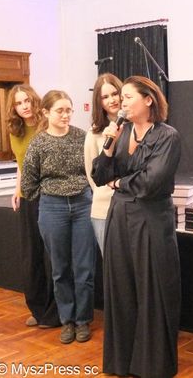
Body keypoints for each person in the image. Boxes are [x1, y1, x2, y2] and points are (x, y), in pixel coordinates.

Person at [91, 76, 181, 378]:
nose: (122, 102)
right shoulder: (121, 131)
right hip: (119, 217)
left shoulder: (167, 136)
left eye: (128, 97)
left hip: (151, 218)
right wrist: (108, 147)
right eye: (122, 97)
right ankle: (122, 362)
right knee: (121, 287)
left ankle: (151, 365)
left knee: (151, 287)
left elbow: (152, 182)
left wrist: (119, 182)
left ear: (148, 99)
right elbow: (99, 175)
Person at [21, 90, 97, 344]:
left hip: (83, 205)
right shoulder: (39, 143)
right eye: (60, 110)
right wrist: (49, 196)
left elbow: (93, 170)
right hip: (52, 208)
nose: (65, 115)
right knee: (60, 268)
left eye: (69, 110)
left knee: (84, 267)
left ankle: (83, 320)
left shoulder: (82, 137)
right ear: (46, 112)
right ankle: (67, 320)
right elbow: (29, 183)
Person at [6, 84, 60, 329]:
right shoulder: (15, 131)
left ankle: (56, 311)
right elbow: (21, 164)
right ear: (14, 108)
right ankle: (38, 309)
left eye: (27, 100)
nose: (24, 106)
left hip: (49, 195)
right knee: (32, 254)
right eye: (19, 103)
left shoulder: (46, 125)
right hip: (28, 196)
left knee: (53, 255)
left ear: (34, 101)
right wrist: (17, 190)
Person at [84, 73, 123, 256]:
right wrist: (106, 190)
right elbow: (91, 173)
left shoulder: (136, 126)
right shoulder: (94, 133)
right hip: (103, 209)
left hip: (131, 207)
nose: (112, 100)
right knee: (111, 264)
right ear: (98, 102)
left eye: (115, 94)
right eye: (105, 97)